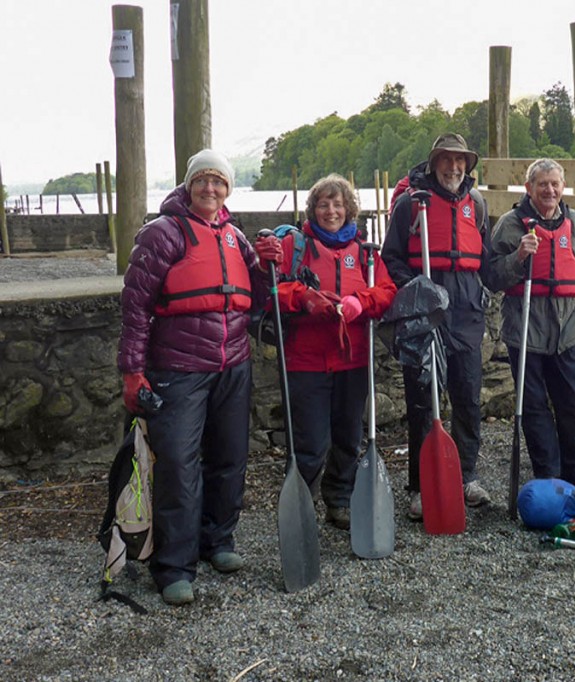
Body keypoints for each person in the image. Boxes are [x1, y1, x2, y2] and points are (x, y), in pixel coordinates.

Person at [118, 149, 265, 606]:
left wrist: (268, 261)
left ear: (227, 190)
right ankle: (174, 565)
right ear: (187, 184)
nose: (210, 188)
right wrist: (132, 372)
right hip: (178, 369)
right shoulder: (162, 235)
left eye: (219, 182)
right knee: (179, 466)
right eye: (202, 180)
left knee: (230, 457)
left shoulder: (237, 238)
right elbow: (136, 309)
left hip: (233, 365)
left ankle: (217, 541)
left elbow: (258, 299)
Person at [254, 174, 397, 526]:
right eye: (323, 204)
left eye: (337, 204)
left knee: (349, 437)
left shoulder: (364, 253)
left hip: (352, 360)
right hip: (306, 361)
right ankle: (303, 504)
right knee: (311, 444)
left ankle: (340, 500)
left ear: (349, 210)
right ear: (313, 209)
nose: (331, 211)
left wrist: (358, 303)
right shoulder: (294, 247)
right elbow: (270, 291)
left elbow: (387, 291)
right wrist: (303, 298)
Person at [381, 133, 495, 519]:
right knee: (422, 402)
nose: (454, 167)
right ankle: (419, 484)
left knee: (467, 398)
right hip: (425, 314)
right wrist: (417, 290)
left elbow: (488, 260)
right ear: (434, 164)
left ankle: (466, 475)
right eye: (446, 160)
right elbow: (391, 258)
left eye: (460, 161)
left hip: (466, 314)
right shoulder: (409, 206)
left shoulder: (476, 205)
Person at [489, 158, 575, 489]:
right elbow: (492, 276)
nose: (549, 190)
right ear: (529, 188)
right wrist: (518, 257)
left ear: (562, 187)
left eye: (555, 184)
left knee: (570, 405)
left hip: (567, 332)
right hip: (525, 332)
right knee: (534, 409)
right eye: (542, 184)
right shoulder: (510, 225)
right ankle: (548, 477)